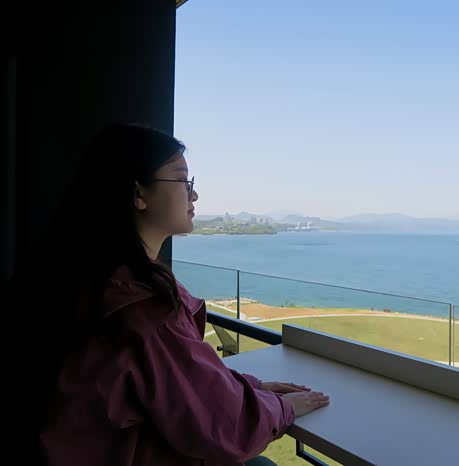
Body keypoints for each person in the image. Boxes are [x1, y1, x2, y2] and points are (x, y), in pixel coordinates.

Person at [18, 123, 329, 465]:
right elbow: (224, 427)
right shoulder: (140, 306)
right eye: (183, 181)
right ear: (139, 194)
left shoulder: (89, 275)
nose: (193, 195)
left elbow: (178, 384)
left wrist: (250, 388)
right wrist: (283, 407)